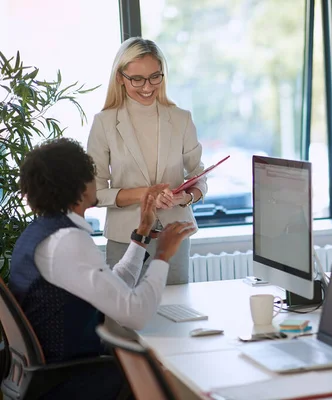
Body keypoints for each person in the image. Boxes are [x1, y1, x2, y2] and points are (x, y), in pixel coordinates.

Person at [10, 138, 195, 399]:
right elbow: (135, 314)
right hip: (71, 381)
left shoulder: (41, 232)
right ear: (81, 186)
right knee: (173, 379)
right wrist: (163, 255)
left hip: (49, 375)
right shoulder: (67, 241)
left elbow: (112, 288)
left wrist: (141, 235)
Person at [87, 37, 207, 285]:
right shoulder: (104, 123)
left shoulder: (181, 119)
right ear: (120, 77)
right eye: (137, 79)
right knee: (123, 317)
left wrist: (186, 197)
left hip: (174, 235)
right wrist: (146, 194)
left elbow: (200, 177)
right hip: (125, 238)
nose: (147, 87)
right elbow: (96, 193)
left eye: (155, 77)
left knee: (177, 311)